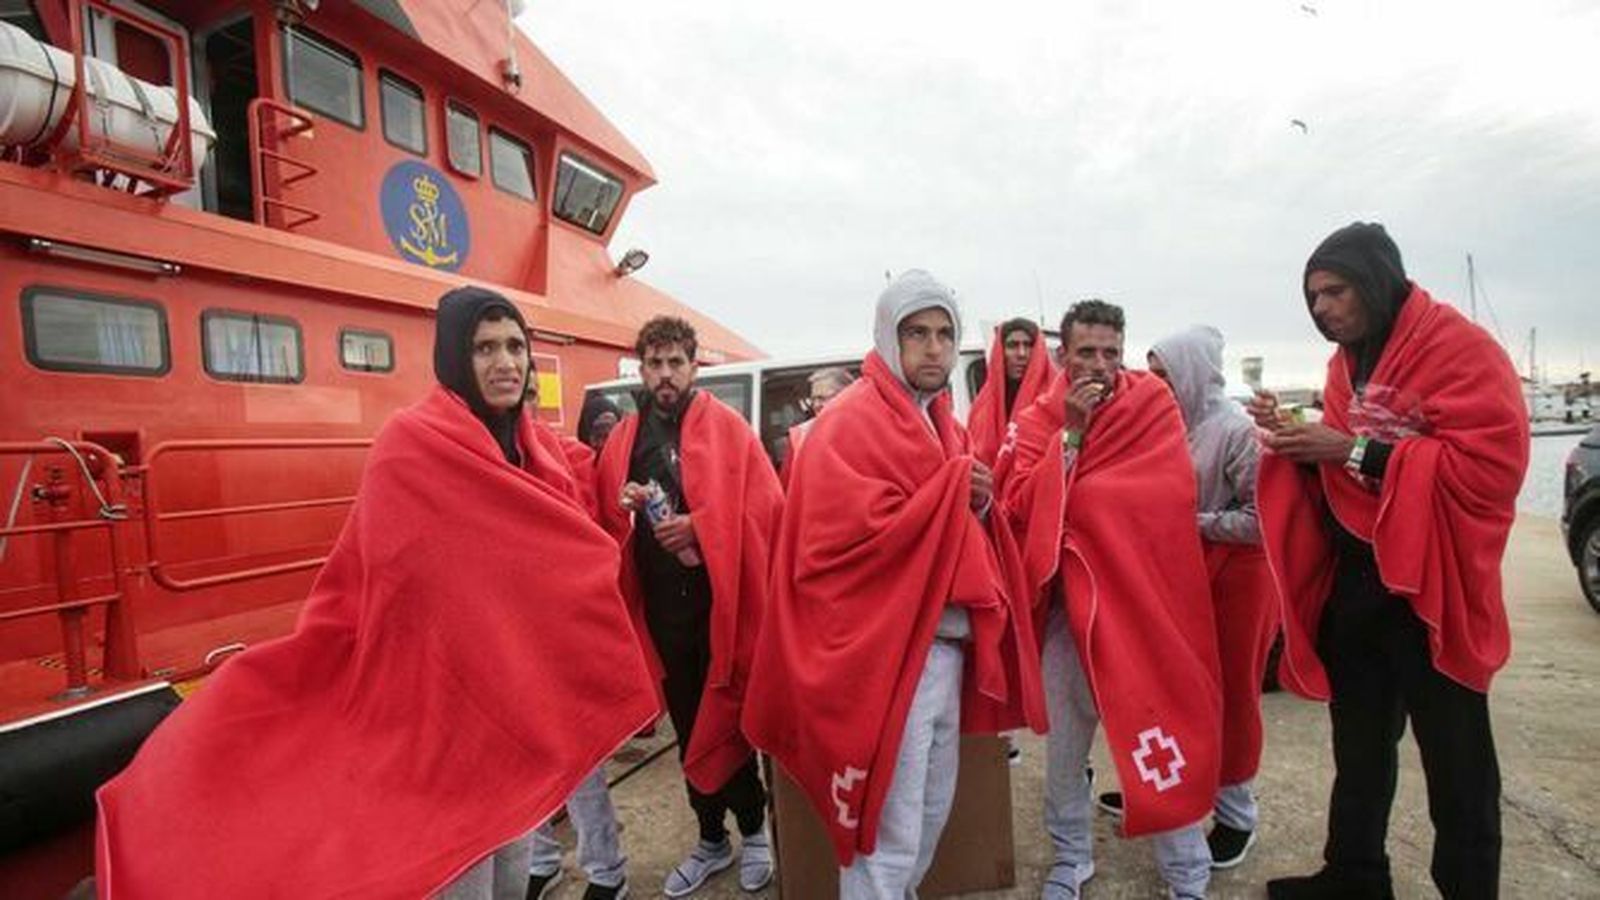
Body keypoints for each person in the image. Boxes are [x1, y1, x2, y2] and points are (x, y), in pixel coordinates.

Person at [94, 287, 659, 899]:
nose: (505, 363)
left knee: (512, 873)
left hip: (510, 717)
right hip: (434, 721)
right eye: (484, 348)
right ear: (451, 358)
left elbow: (565, 553)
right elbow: (393, 583)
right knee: (457, 879)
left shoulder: (538, 449)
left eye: (516, 346)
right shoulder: (412, 444)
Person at [743, 269, 1046, 898]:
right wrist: (948, 496)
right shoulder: (848, 423)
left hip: (942, 652)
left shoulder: (944, 423)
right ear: (888, 337)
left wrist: (979, 503)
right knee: (885, 829)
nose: (933, 348)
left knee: (928, 814)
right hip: (884, 659)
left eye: (944, 333)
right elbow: (829, 549)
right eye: (917, 333)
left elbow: (955, 525)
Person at [1252, 223, 1528, 900]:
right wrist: (1298, 436)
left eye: (1335, 291)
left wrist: (1346, 450)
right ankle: (1354, 874)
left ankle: (1469, 889)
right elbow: (1349, 450)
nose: (1322, 309)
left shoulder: (1460, 349)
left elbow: (1490, 469)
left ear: (1376, 281)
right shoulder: (1344, 365)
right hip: (1361, 579)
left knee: (1457, 757)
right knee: (1360, 740)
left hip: (1434, 582)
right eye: (1313, 296)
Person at [998, 299, 1222, 900]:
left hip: (1139, 611)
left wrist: (1087, 502)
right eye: (1085, 354)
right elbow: (1019, 504)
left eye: (1110, 353)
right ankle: (1071, 858)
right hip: (1068, 619)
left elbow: (1166, 497)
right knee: (1066, 753)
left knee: (1155, 738)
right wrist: (1071, 435)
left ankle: (1187, 874)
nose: (1100, 366)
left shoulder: (1152, 404)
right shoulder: (1043, 415)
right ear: (1062, 356)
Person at [593, 316, 785, 897]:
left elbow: (769, 511)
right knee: (686, 725)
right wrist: (621, 499)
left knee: (728, 721)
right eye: (655, 363)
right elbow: (602, 515)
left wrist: (702, 527)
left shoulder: (728, 428)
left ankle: (753, 831)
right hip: (660, 615)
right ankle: (710, 838)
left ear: (695, 366)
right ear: (642, 369)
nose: (666, 374)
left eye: (676, 362)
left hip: (720, 609)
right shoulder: (625, 437)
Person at [1093, 325, 1279, 871]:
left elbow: (1261, 520)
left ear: (1192, 373)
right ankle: (1169, 792)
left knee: (1233, 698)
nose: (1155, 386)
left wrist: (1184, 523)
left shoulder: (1235, 431)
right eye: (1150, 375)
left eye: (1164, 375)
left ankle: (1235, 814)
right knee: (1171, 692)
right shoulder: (1163, 424)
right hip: (1183, 577)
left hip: (1237, 583)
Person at [968, 317, 1052, 467]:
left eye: (1028, 345)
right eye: (1012, 345)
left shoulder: (1053, 397)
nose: (1021, 353)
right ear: (1000, 351)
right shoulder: (983, 405)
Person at [779, 366, 855, 487]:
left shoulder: (865, 431)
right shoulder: (799, 436)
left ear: (845, 396)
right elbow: (787, 489)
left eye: (822, 398)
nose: (816, 405)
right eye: (814, 399)